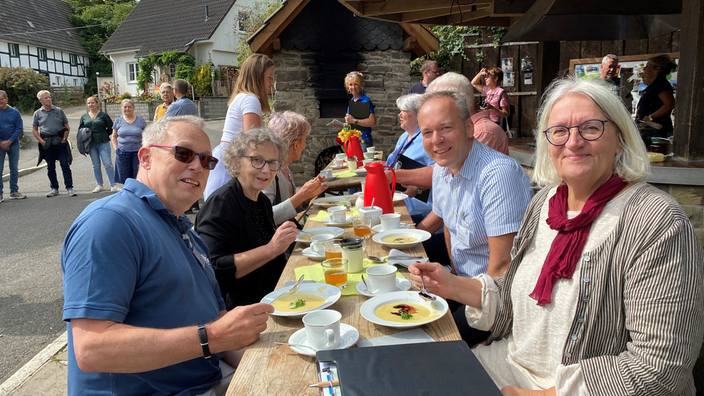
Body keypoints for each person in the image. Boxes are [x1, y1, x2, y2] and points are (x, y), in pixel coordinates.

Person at [409, 78, 704, 395]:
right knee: (407, 371)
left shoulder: (656, 221)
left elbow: (660, 368)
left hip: (562, 389)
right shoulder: (546, 203)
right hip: (506, 364)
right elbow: (515, 297)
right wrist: (452, 284)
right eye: (560, 131)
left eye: (591, 128)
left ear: (620, 138)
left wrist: (536, 395)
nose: (573, 142)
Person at [62, 115, 274, 396]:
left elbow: (219, 323)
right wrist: (210, 338)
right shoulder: (110, 222)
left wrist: (265, 366)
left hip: (207, 378)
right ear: (146, 157)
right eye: (184, 154)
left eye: (208, 161)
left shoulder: (182, 226)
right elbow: (91, 349)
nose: (198, 166)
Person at [418, 90, 533, 346]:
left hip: (496, 301)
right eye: (427, 132)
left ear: (469, 128)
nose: (436, 140)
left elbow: (503, 266)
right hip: (461, 286)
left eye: (446, 128)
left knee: (428, 345)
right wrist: (454, 282)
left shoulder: (498, 175)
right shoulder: (442, 169)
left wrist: (461, 299)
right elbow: (449, 227)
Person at [196, 128, 299, 310]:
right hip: (242, 310)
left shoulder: (261, 200)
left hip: (274, 298)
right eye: (257, 160)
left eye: (272, 162)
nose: (266, 169)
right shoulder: (221, 203)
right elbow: (215, 268)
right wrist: (271, 249)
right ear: (236, 163)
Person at [204, 54, 275, 201]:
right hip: (232, 161)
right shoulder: (251, 99)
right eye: (269, 77)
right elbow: (253, 142)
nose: (271, 82)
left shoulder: (242, 97)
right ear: (257, 77)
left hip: (227, 157)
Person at [264, 111, 327, 225]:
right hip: (276, 241)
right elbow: (265, 218)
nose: (305, 145)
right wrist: (301, 195)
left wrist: (307, 197)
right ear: (296, 145)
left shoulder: (284, 169)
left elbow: (288, 211)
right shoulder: (268, 172)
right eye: (304, 140)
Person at [32, 90, 75, 197]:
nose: (49, 99)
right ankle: (54, 188)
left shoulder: (59, 111)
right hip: (47, 143)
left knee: (65, 165)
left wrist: (64, 139)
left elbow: (66, 126)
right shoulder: (37, 113)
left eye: (49, 97)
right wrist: (41, 141)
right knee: (50, 167)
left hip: (60, 141)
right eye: (46, 98)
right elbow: (34, 129)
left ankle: (69, 187)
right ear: (40, 100)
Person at [79, 96, 118, 193]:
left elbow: (111, 128)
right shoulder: (84, 117)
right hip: (91, 143)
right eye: (89, 103)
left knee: (107, 163)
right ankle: (99, 184)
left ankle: (113, 185)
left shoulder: (103, 115)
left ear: (97, 103)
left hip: (103, 141)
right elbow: (81, 130)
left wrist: (102, 134)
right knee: (95, 165)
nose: (91, 105)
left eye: (92, 103)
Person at [636, 54, 677, 138]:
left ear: (657, 69)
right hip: (649, 131)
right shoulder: (654, 85)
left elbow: (670, 104)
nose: (644, 69)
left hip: (658, 131)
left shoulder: (661, 84)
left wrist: (651, 117)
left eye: (647, 67)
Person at [111, 99, 147, 184]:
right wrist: (116, 148)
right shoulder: (118, 120)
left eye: (129, 107)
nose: (127, 109)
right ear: (122, 108)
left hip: (137, 152)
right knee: (124, 177)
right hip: (123, 152)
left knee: (138, 175)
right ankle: (127, 193)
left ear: (133, 108)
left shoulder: (140, 120)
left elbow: (147, 135)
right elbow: (114, 136)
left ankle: (137, 193)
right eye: (125, 107)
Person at [0, 90, 26, 202]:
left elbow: (19, 128)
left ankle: (14, 191)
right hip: (0, 144)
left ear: (6, 99)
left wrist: (10, 141)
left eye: (1, 99)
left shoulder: (15, 112)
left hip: (13, 143)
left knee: (14, 168)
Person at [344, 71, 376, 151]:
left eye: (356, 84)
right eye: (350, 85)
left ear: (361, 85)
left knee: (362, 163)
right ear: (348, 87)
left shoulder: (365, 101)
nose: (353, 87)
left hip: (363, 140)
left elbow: (372, 121)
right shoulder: (352, 101)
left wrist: (354, 121)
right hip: (352, 140)